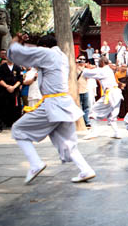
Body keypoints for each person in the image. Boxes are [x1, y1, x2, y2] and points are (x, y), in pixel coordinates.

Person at [8, 34, 95, 184]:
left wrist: (16, 39)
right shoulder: (61, 55)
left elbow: (15, 53)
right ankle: (85, 169)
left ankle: (35, 164)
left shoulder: (48, 53)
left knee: (18, 129)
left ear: (43, 47)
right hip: (63, 103)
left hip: (52, 103)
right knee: (68, 142)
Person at [82, 56, 123, 140]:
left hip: (110, 94)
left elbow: (87, 73)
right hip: (116, 94)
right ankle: (117, 132)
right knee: (112, 115)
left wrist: (83, 66)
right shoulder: (108, 70)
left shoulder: (103, 70)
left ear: (102, 63)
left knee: (93, 111)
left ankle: (94, 132)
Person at [0, 56, 22, 132]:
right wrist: (7, 86)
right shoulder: (1, 67)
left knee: (15, 108)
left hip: (14, 90)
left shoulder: (17, 67)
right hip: (4, 90)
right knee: (1, 107)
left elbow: (20, 79)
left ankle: (13, 125)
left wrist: (13, 87)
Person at [76, 57, 91, 127]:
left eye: (83, 59)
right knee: (78, 107)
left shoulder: (86, 69)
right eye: (80, 59)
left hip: (85, 90)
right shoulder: (74, 68)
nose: (82, 61)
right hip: (77, 91)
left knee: (86, 107)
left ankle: (86, 121)